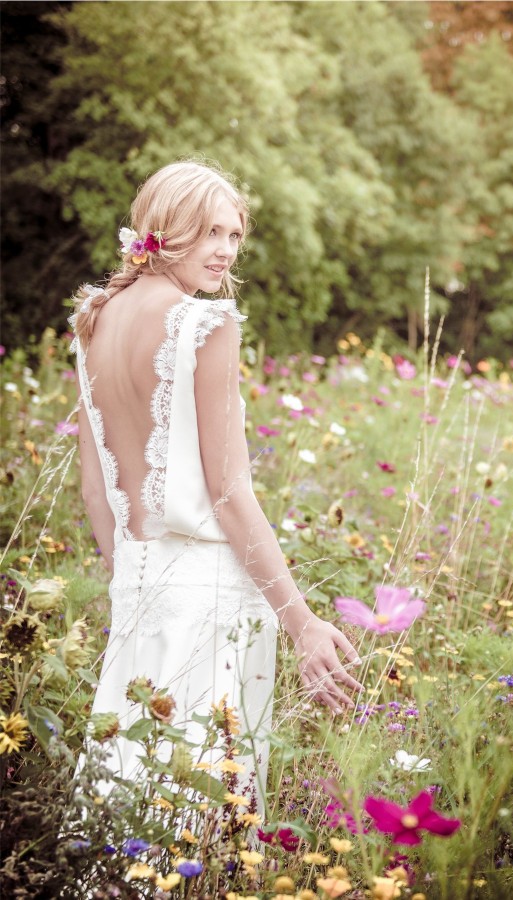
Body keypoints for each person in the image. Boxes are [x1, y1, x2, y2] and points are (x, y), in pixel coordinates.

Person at [70, 160, 362, 811]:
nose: (226, 250)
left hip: (137, 585)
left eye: (233, 235)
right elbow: (228, 494)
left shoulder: (93, 320)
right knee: (199, 809)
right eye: (209, 233)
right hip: (208, 597)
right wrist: (302, 624)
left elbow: (96, 492)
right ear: (166, 230)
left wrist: (137, 588)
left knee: (126, 792)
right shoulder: (205, 323)